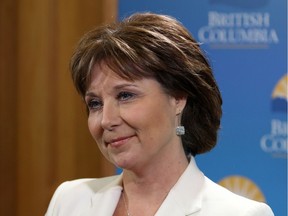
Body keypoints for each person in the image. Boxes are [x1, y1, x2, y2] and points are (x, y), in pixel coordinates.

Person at [45, 12, 274, 216]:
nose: (106, 120)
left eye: (125, 95)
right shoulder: (69, 201)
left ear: (178, 98)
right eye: (95, 103)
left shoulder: (241, 213)